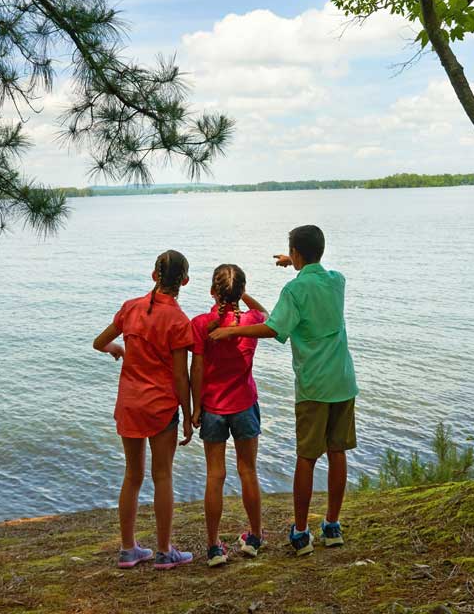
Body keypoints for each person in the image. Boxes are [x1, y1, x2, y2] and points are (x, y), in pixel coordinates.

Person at [209, 225, 357, 557]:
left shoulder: (294, 291)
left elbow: (275, 327)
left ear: (296, 253)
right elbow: (313, 274)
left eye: (292, 253)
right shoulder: (338, 281)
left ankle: (301, 533)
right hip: (343, 381)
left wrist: (230, 334)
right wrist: (296, 261)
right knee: (337, 453)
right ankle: (332, 526)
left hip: (314, 385)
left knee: (306, 458)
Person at [93, 249, 196, 570]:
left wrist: (117, 349)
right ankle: (164, 551)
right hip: (161, 407)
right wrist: (190, 418)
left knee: (132, 475)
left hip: (130, 403)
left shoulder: (130, 308)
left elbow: (99, 342)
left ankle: (128, 549)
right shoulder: (179, 320)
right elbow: (181, 375)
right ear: (185, 281)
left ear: (154, 276)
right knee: (162, 476)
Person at [190, 264, 268, 567]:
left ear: (213, 291)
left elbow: (196, 368)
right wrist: (243, 296)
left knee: (215, 475)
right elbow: (269, 315)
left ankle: (213, 547)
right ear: (241, 291)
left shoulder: (201, 323)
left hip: (212, 408)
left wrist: (196, 407)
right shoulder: (251, 320)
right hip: (245, 404)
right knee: (248, 471)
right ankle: (255, 538)